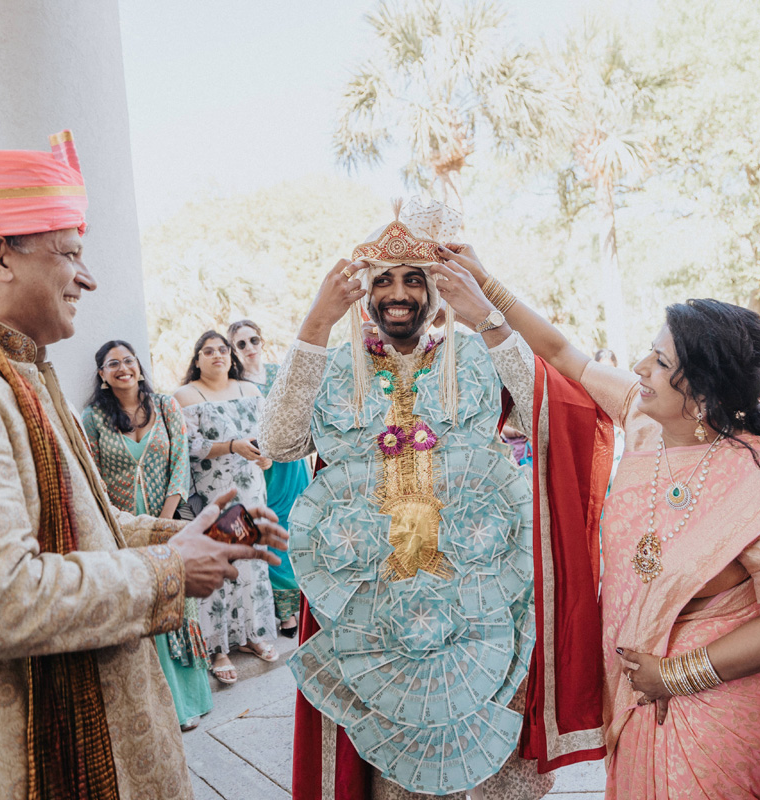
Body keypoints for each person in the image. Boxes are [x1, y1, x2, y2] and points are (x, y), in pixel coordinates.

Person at [0, 133, 287, 800]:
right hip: (14, 766)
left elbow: (76, 526)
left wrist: (191, 539)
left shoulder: (13, 369)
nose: (88, 277)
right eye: (70, 253)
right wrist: (171, 570)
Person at [438, 243, 760, 799]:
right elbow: (562, 352)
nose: (639, 368)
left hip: (718, 710)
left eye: (659, 362)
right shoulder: (644, 422)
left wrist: (676, 675)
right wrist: (486, 288)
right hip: (636, 692)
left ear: (699, 391)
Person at [261, 198, 555, 798]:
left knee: (483, 756)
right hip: (371, 595)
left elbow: (546, 419)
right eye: (385, 280)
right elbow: (279, 439)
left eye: (414, 280)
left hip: (475, 590)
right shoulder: (334, 364)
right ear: (365, 292)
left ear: (437, 291)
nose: (399, 293)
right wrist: (316, 322)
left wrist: (491, 317)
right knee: (391, 770)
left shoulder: (473, 354)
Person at [81, 339, 214, 731]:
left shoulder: (167, 407)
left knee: (176, 604)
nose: (123, 367)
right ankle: (159, 708)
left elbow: (180, 466)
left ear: (139, 367)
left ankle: (188, 702)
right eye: (112, 364)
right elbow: (94, 477)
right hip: (123, 529)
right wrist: (121, 525)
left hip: (168, 521)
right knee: (143, 604)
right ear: (103, 376)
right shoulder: (94, 418)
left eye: (128, 360)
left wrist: (164, 522)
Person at [174, 330, 278, 684]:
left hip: (252, 491)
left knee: (250, 559)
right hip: (216, 495)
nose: (217, 355)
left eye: (222, 349)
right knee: (220, 562)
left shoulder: (250, 390)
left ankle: (251, 636)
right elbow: (191, 447)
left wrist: (265, 459)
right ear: (197, 358)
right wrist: (232, 445)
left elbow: (267, 436)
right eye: (208, 350)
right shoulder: (186, 395)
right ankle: (217, 647)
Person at [228, 319, 309, 637]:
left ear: (262, 342)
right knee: (273, 528)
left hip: (291, 460)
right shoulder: (235, 385)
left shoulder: (279, 373)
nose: (249, 348)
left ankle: (305, 604)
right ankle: (285, 613)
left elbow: (300, 409)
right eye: (241, 344)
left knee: (300, 525)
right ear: (233, 350)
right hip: (262, 466)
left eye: (253, 340)